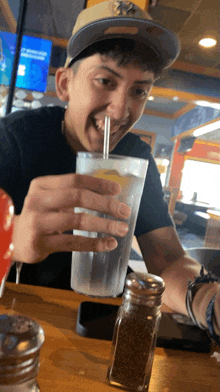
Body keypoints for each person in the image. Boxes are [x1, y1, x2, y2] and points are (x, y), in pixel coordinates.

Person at [0, 1, 219, 343]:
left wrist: (210, 302)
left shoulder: (135, 157)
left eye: (139, 91)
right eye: (105, 80)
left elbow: (169, 260)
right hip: (20, 324)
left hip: (103, 325)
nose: (121, 110)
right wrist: (11, 243)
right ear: (65, 83)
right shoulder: (14, 140)